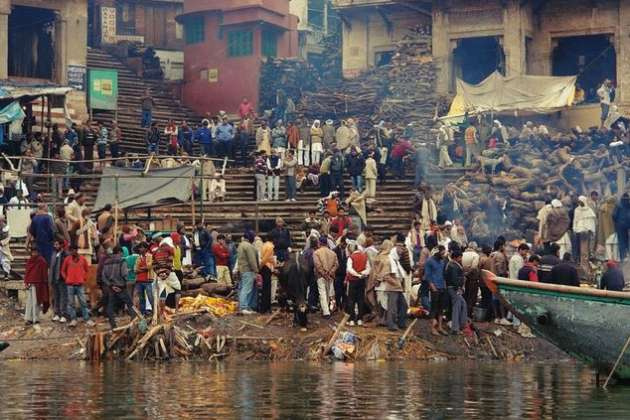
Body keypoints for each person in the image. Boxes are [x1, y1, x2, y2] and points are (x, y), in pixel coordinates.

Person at [102, 246, 136, 329]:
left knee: (110, 307)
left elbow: (103, 277)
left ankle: (113, 325)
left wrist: (111, 285)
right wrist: (127, 279)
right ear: (120, 252)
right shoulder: (122, 261)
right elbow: (124, 274)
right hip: (121, 287)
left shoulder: (107, 262)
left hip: (111, 288)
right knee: (130, 304)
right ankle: (133, 322)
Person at [62, 245, 95, 327]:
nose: (73, 252)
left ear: (77, 250)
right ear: (70, 251)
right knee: (71, 303)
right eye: (71, 250)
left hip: (80, 284)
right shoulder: (67, 260)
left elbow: (87, 270)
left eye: (75, 250)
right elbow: (62, 271)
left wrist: (84, 279)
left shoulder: (83, 259)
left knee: (83, 302)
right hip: (70, 285)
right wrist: (66, 279)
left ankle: (87, 319)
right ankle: (73, 319)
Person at [313, 236, 339, 318]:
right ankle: (327, 309)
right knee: (328, 293)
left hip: (321, 276)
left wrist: (324, 274)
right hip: (330, 276)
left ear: (319, 243)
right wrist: (330, 272)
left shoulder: (317, 252)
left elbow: (318, 265)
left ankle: (326, 312)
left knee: (323, 293)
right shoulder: (333, 253)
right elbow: (336, 264)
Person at [345, 242, 370, 326]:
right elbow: (368, 268)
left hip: (352, 280)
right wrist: (362, 274)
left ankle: (352, 319)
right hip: (362, 281)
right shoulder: (364, 256)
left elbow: (349, 269)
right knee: (360, 299)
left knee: (351, 299)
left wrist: (357, 274)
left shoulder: (351, 257)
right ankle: (360, 319)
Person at [424, 245, 448, 335]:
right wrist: (432, 287)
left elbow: (442, 274)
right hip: (435, 287)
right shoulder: (429, 261)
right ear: (438, 253)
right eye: (442, 253)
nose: (443, 255)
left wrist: (444, 285)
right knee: (434, 308)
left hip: (442, 286)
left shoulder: (442, 262)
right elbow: (427, 275)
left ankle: (440, 327)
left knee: (441, 308)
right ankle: (432, 328)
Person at [24, 248, 49, 325]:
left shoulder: (41, 261)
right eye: (33, 252)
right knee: (29, 302)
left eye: (35, 252)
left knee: (36, 302)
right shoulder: (30, 261)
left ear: (38, 252)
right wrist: (26, 282)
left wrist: (44, 283)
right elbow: (27, 272)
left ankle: (36, 318)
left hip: (38, 284)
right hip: (30, 283)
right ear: (31, 253)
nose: (34, 254)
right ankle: (28, 318)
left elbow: (44, 273)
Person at [445, 249, 467, 334]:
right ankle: (455, 328)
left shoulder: (452, 264)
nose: (461, 258)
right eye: (460, 257)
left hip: (453, 288)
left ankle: (462, 324)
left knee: (463, 304)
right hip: (454, 288)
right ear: (457, 257)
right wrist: (458, 288)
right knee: (456, 307)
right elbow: (454, 279)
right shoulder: (453, 266)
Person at [237, 230, 259, 314]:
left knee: (246, 288)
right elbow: (252, 260)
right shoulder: (249, 246)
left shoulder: (240, 245)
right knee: (246, 289)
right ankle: (243, 307)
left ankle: (247, 306)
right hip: (248, 270)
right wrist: (256, 270)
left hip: (242, 270)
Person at [573, 195, 597, 267]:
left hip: (587, 231)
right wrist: (575, 228)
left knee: (586, 249)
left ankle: (586, 264)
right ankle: (581, 263)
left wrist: (591, 230)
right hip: (579, 231)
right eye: (579, 202)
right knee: (579, 249)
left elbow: (592, 222)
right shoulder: (577, 210)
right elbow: (575, 220)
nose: (580, 203)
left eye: (581, 202)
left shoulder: (589, 210)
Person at [50, 239, 68, 323]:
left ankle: (64, 314)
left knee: (63, 297)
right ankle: (57, 313)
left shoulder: (65, 254)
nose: (55, 246)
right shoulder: (54, 254)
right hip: (54, 279)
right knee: (56, 297)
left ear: (61, 245)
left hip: (61, 279)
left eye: (57, 244)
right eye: (55, 245)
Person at [134, 242, 154, 315]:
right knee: (141, 299)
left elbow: (149, 267)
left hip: (148, 280)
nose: (140, 249)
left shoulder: (150, 256)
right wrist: (143, 268)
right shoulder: (138, 257)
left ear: (146, 248)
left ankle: (155, 312)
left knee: (150, 297)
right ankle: (143, 313)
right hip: (139, 280)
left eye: (142, 247)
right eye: (140, 248)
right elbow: (135, 269)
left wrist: (140, 269)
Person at [258, 236, 275, 313]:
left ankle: (264, 307)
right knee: (267, 288)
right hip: (266, 267)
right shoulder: (270, 246)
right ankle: (265, 307)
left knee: (265, 287)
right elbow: (266, 258)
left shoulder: (263, 245)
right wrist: (260, 266)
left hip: (264, 266)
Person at [613, 193, 630, 261]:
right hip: (627, 225)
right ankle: (626, 253)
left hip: (620, 225)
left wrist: (616, 222)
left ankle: (623, 256)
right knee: (626, 239)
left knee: (621, 240)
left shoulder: (618, 205)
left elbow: (614, 215)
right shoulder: (628, 204)